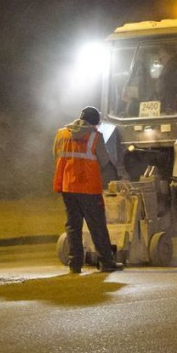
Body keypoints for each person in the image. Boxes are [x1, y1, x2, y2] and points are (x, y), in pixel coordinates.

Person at [52, 106, 123, 274]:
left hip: (68, 187)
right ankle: (106, 262)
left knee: (73, 226)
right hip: (88, 188)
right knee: (97, 225)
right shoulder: (95, 137)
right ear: (94, 123)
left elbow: (56, 154)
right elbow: (104, 161)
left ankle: (75, 265)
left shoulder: (62, 134)